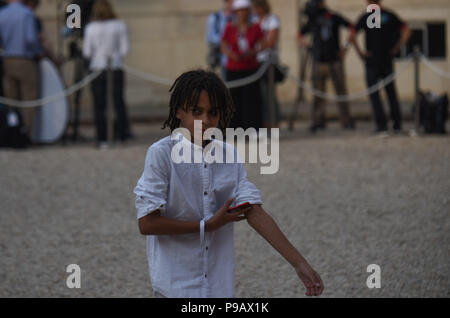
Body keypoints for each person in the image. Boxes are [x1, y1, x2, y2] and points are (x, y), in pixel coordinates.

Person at [134, 69, 324, 298]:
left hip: (218, 286)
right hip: (174, 286)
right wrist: (207, 226)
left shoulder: (228, 156)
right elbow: (147, 223)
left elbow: (253, 210)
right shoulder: (160, 154)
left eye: (212, 112)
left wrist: (299, 264)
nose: (205, 120)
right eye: (196, 111)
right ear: (179, 111)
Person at [352, 0, 411, 135]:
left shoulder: (366, 16)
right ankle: (397, 124)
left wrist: (360, 52)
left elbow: (352, 35)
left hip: (372, 60)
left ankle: (382, 125)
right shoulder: (389, 15)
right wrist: (397, 48)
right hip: (386, 59)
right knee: (391, 93)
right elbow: (407, 31)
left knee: (375, 95)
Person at [298, 0, 355, 133]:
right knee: (318, 93)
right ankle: (318, 120)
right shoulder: (313, 19)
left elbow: (352, 28)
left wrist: (345, 48)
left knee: (341, 91)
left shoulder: (333, 17)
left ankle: (346, 120)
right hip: (318, 60)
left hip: (334, 59)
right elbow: (300, 34)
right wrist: (308, 47)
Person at [82, 0, 133, 148]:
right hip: (115, 67)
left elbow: (87, 52)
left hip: (97, 68)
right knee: (118, 102)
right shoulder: (119, 25)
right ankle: (122, 134)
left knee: (99, 105)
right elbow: (125, 50)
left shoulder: (91, 28)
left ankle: (102, 137)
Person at [0, 0, 43, 141]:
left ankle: (11, 131)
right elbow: (31, 39)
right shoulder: (26, 13)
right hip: (24, 59)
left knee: (12, 101)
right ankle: (25, 134)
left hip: (8, 59)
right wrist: (39, 52)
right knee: (28, 100)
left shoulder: (2, 13)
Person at [221, 0, 264, 130]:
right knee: (234, 100)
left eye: (244, 10)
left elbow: (263, 43)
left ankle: (252, 129)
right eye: (239, 11)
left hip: (251, 68)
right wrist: (231, 55)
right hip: (234, 68)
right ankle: (235, 129)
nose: (242, 14)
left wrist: (253, 52)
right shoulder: (230, 27)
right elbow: (223, 45)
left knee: (252, 101)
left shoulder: (255, 27)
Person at [252, 0, 282, 129]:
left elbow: (270, 42)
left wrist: (252, 50)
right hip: (255, 61)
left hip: (267, 61)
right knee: (258, 95)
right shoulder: (253, 21)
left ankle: (273, 122)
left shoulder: (272, 20)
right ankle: (263, 123)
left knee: (268, 94)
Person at [23, 0, 61, 67]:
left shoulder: (11, 15)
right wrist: (54, 58)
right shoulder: (32, 18)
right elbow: (43, 40)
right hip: (31, 59)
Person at [205, 0, 234, 79]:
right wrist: (227, 40)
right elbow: (210, 38)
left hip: (236, 61)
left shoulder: (238, 18)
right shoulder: (215, 17)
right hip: (221, 60)